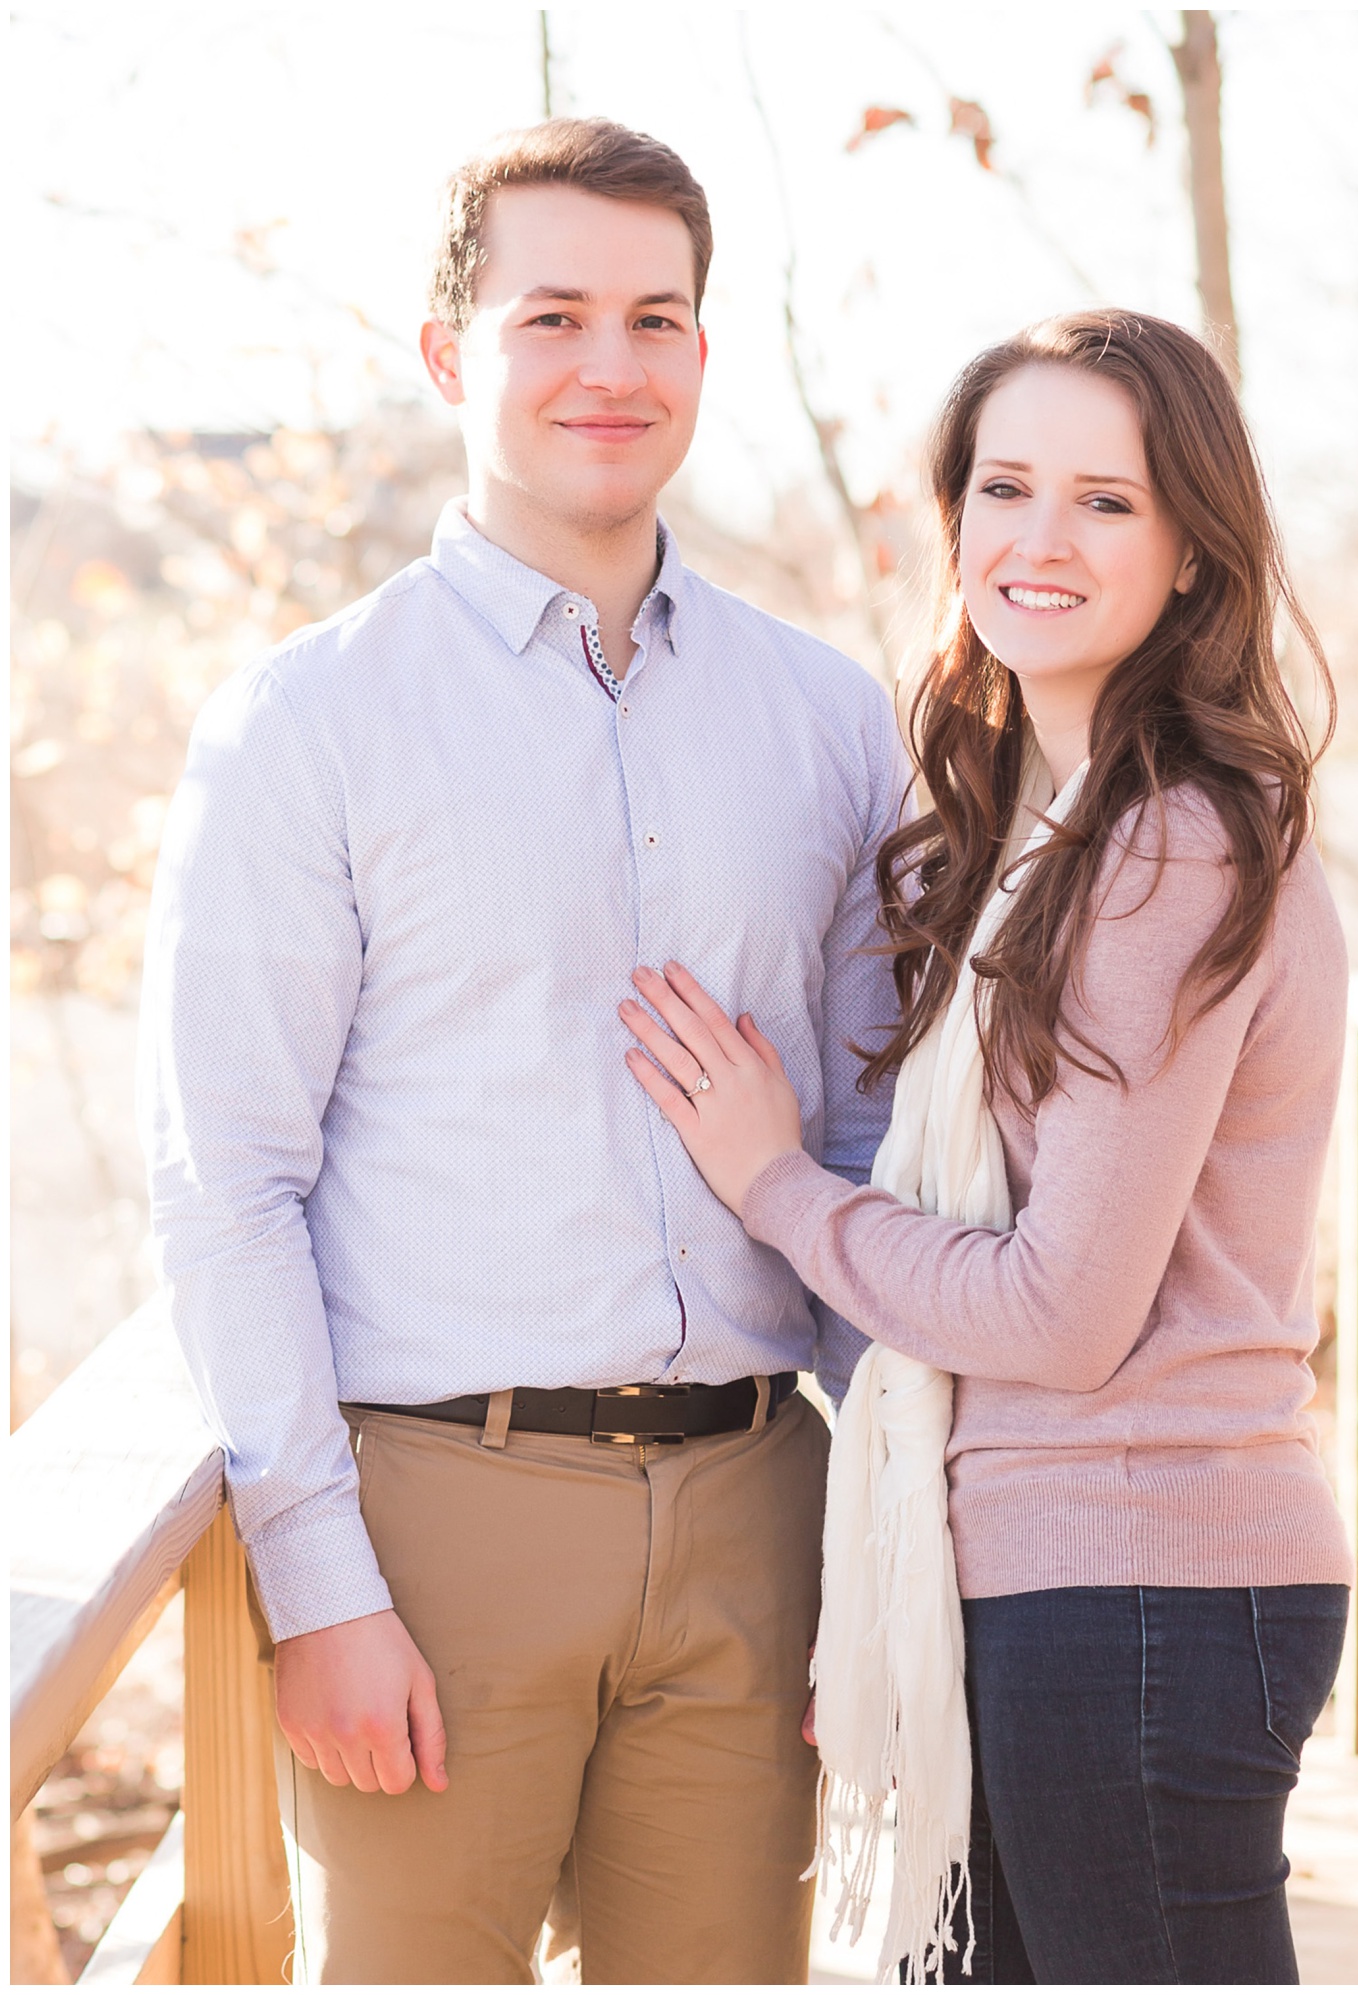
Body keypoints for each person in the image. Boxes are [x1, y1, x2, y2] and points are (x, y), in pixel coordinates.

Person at [138, 118, 907, 1986]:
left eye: (658, 318)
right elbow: (227, 1181)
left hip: (759, 1513)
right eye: (552, 313)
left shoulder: (823, 717)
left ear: (706, 357)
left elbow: (883, 1148)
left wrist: (883, 1547)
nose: (611, 365)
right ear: (446, 353)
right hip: (435, 1527)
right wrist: (320, 1587)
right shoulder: (308, 725)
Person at [620, 310, 1355, 1986]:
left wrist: (774, 1181)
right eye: (1005, 486)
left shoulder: (1171, 841)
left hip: (1145, 1583)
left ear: (1190, 554)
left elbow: (1057, 1314)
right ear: (949, 524)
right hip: (1053, 1584)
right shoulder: (1044, 829)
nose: (1040, 538)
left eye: (1108, 500)